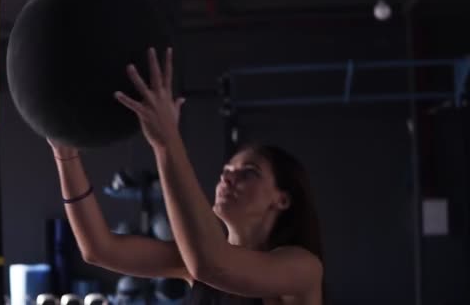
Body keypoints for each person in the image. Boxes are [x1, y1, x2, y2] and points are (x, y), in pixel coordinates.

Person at [47, 47, 324, 305]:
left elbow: (213, 265)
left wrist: (167, 142)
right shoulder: (193, 259)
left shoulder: (302, 268)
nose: (227, 178)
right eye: (226, 171)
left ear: (283, 199)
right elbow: (99, 248)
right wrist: (65, 154)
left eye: (248, 172)